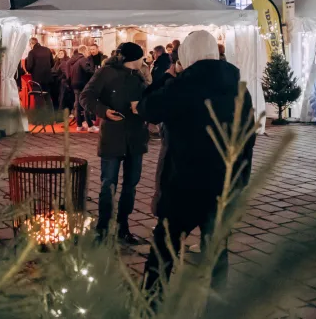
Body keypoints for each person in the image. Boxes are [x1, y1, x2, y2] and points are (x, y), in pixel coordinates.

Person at [134, 30, 255, 298]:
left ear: (186, 55)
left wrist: (167, 76)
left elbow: (147, 108)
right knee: (216, 251)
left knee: (164, 249)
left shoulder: (182, 87)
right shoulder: (239, 89)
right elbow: (247, 139)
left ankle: (151, 303)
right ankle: (216, 305)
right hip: (223, 184)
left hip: (183, 184)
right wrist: (241, 178)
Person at [80, 42, 149, 244]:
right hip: (113, 136)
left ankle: (122, 226)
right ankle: (102, 228)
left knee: (131, 185)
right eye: (141, 57)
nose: (143, 61)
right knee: (108, 184)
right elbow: (86, 96)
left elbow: (148, 99)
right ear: (134, 58)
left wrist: (143, 107)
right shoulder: (106, 73)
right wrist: (103, 111)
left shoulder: (139, 76)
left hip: (135, 138)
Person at [68, 45, 97, 132]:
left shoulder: (73, 61)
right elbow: (88, 70)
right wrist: (96, 74)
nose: (88, 52)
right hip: (82, 84)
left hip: (75, 84)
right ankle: (90, 125)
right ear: (84, 51)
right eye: (87, 50)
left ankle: (79, 125)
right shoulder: (83, 59)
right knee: (85, 104)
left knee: (78, 105)